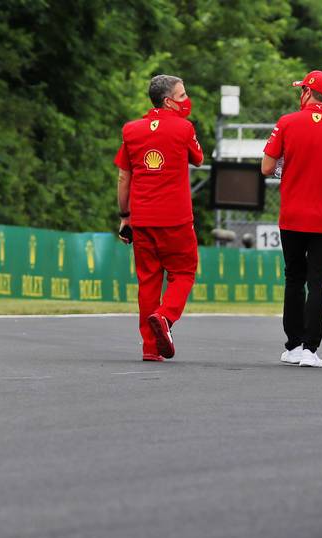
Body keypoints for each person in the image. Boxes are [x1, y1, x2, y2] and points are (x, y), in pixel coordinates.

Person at [261, 70, 322, 369]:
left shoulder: (287, 123)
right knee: (318, 282)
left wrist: (287, 166)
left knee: (294, 278)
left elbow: (266, 167)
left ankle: (292, 345)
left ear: (306, 92)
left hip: (292, 215)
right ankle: (310, 349)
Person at [114, 74, 203, 361]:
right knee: (184, 272)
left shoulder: (131, 130)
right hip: (175, 219)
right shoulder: (184, 128)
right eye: (181, 96)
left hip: (142, 218)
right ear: (168, 101)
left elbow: (123, 177)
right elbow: (198, 158)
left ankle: (151, 348)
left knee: (148, 281)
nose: (185, 100)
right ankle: (165, 317)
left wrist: (125, 216)